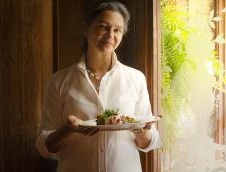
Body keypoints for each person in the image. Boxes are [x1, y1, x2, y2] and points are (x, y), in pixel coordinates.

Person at [36, 1, 162, 172]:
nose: (110, 35)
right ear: (86, 29)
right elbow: (44, 147)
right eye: (103, 27)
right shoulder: (59, 81)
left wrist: (141, 130)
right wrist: (68, 130)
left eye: (117, 30)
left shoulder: (136, 78)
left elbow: (149, 142)